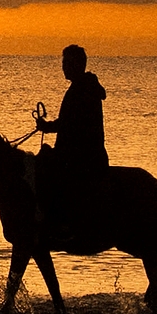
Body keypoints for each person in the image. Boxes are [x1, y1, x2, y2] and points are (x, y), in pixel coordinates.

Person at [32, 43, 109, 238]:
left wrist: (47, 127)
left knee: (43, 169)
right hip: (82, 153)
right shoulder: (84, 87)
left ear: (77, 64)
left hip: (81, 156)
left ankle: (53, 219)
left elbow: (71, 124)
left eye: (67, 62)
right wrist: (48, 127)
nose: (63, 67)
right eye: (63, 62)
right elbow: (69, 123)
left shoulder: (81, 90)